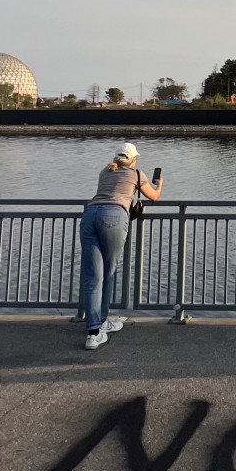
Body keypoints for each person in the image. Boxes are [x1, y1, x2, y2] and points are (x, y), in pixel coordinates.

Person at [80, 142, 163, 350]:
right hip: (114, 216)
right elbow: (153, 196)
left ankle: (94, 330)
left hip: (90, 215)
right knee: (108, 274)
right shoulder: (136, 173)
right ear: (133, 159)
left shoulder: (105, 171)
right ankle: (101, 324)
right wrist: (160, 183)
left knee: (93, 276)